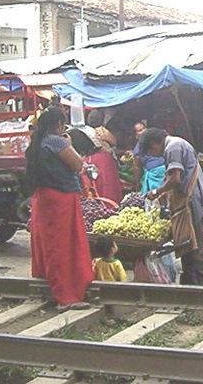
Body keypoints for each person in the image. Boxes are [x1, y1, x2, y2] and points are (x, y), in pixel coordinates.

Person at [25, 107, 92, 310]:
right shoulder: (57, 141)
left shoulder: (37, 143)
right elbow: (77, 164)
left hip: (43, 197)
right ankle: (67, 295)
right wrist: (69, 143)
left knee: (50, 244)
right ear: (58, 125)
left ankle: (53, 288)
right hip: (61, 198)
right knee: (64, 246)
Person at [143, 128, 203, 286]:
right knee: (187, 245)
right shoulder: (175, 144)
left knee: (195, 246)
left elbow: (175, 178)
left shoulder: (172, 147)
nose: (154, 155)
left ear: (155, 143)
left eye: (151, 151)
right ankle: (189, 285)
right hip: (188, 201)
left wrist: (157, 191)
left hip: (191, 201)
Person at [82, 109, 122, 203]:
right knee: (108, 185)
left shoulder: (83, 130)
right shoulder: (104, 131)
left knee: (97, 186)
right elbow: (114, 142)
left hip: (92, 160)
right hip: (104, 160)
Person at [132, 121, 165, 194]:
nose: (143, 131)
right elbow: (137, 166)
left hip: (164, 171)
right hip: (154, 175)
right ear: (136, 135)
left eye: (144, 128)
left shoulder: (155, 141)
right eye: (140, 130)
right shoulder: (138, 148)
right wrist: (137, 183)